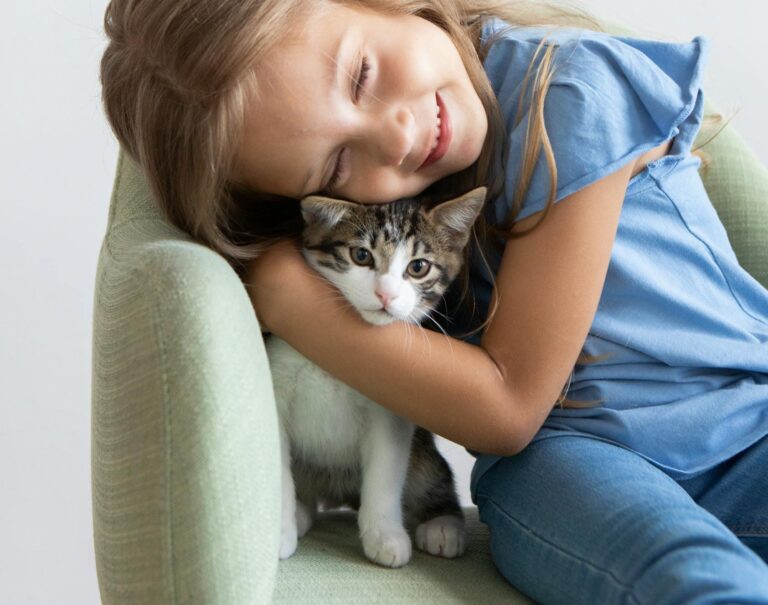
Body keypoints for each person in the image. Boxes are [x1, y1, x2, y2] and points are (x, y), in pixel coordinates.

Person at [99, 0, 768, 602]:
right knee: (695, 576)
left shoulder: (566, 91)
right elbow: (514, 429)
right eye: (336, 167)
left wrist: (279, 289)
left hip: (748, 424)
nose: (393, 136)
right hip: (565, 470)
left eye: (360, 73)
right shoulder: (387, 216)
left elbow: (508, 400)